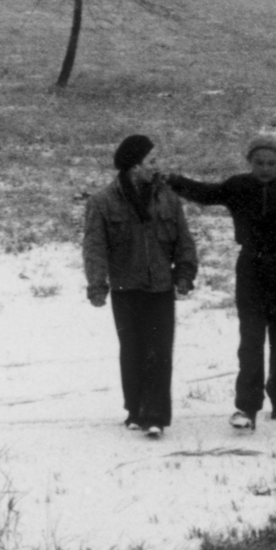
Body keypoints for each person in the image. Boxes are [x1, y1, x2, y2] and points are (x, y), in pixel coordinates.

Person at [166, 137, 276, 430]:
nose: (265, 168)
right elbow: (206, 193)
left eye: (272, 163)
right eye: (258, 162)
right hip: (250, 269)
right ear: (249, 162)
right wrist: (174, 181)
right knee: (250, 341)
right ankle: (247, 407)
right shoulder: (237, 186)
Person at [83, 134, 198, 439]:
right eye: (152, 160)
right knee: (132, 350)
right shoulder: (102, 202)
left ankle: (156, 415)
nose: (157, 166)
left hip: (160, 286)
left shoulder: (167, 198)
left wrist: (185, 272)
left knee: (159, 351)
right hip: (126, 289)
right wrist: (97, 284)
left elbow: (184, 240)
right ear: (135, 166)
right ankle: (135, 409)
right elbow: (94, 247)